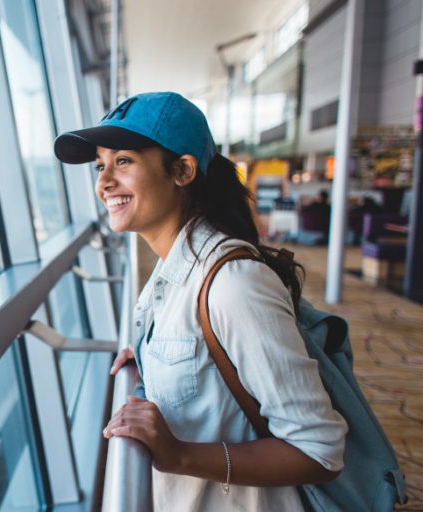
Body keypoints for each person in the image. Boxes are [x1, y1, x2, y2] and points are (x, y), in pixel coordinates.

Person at [54, 92, 347, 511]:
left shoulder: (233, 284)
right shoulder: (172, 269)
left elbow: (319, 449)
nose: (103, 182)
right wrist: (148, 356)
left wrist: (180, 455)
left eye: (123, 161)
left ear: (183, 170)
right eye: (101, 165)